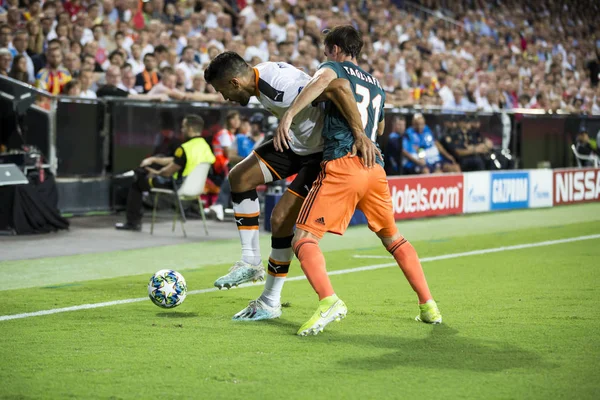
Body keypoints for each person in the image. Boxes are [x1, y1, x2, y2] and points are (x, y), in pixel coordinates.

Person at [274, 25, 441, 336]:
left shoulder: (332, 68)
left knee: (303, 238)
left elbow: (324, 81)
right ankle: (428, 305)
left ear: (337, 49)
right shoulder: (377, 85)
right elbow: (378, 130)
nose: (324, 54)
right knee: (394, 239)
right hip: (374, 168)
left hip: (343, 162)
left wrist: (290, 114)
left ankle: (328, 301)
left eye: (327, 48)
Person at [204, 51, 379, 321]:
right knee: (239, 177)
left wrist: (360, 135)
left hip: (321, 152)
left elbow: (339, 87)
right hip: (298, 144)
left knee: (282, 219)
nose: (224, 97)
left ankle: (270, 301)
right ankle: (250, 261)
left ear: (235, 82)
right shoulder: (261, 78)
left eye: (222, 90)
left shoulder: (279, 87)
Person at [115, 115, 215, 231]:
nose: (181, 130)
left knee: (138, 180)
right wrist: (154, 159)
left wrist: (155, 172)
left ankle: (133, 223)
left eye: (183, 127)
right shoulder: (205, 147)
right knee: (150, 170)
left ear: (190, 129)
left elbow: (167, 172)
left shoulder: (184, 148)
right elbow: (177, 160)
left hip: (178, 185)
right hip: (197, 188)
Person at [209, 110, 243, 221]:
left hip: (228, 165)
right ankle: (220, 205)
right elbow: (229, 155)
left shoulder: (234, 136)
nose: (236, 121)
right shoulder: (224, 133)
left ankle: (231, 207)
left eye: (238, 119)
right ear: (228, 121)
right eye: (233, 118)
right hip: (220, 165)